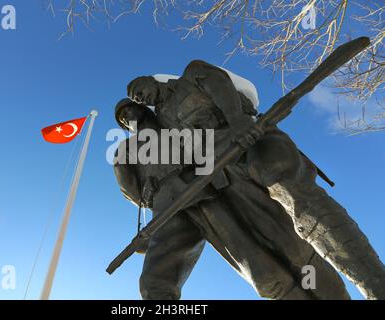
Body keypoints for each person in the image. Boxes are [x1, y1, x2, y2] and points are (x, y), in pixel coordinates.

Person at [126, 60, 385, 299]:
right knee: (274, 258)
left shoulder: (190, 75)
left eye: (139, 88)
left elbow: (220, 86)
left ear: (151, 79)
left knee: (303, 204)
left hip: (251, 139)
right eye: (136, 97)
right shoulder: (162, 122)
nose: (139, 96)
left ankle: (376, 285)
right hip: (226, 169)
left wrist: (237, 119)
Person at [113, 98, 350, 300]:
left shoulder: (176, 126)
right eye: (124, 117)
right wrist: (156, 194)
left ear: (144, 110)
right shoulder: (125, 150)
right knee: (263, 275)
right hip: (170, 208)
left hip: (213, 188)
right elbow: (132, 190)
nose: (130, 116)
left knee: (286, 256)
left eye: (132, 109)